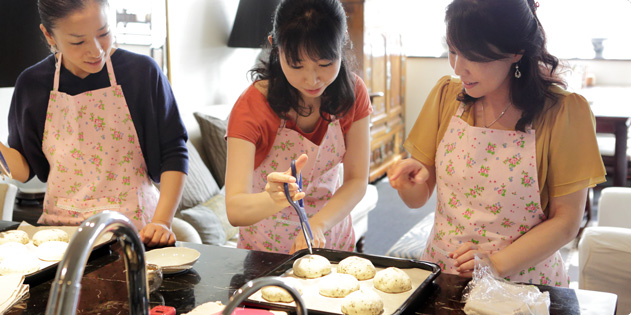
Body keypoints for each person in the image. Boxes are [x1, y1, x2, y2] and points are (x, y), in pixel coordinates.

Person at [388, 0, 606, 287]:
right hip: (447, 274)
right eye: (453, 51)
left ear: (516, 51)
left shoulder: (563, 113)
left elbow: (566, 222)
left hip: (523, 284)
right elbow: (419, 198)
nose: (459, 68)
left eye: (475, 57)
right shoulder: (446, 96)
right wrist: (408, 183)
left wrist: (494, 264)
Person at [0, 0, 188, 247]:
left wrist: (162, 222)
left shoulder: (142, 73)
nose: (96, 50)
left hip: (135, 232)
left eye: (104, 33)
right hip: (61, 237)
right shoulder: (33, 84)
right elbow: (24, 170)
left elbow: (174, 152)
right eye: (78, 41)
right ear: (49, 35)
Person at [225, 0, 372, 254]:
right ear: (275, 46)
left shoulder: (353, 92)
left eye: (325, 64)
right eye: (297, 65)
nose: (312, 80)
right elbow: (235, 209)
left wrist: (318, 224)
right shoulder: (252, 106)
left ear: (342, 43)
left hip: (331, 240)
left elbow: (357, 180)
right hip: (268, 252)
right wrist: (272, 198)